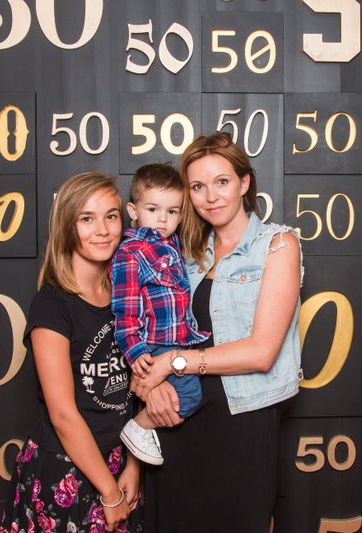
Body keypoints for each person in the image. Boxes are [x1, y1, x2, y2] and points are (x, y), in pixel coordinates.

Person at [133, 132, 303, 532]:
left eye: (221, 182)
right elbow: (147, 324)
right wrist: (153, 386)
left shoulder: (278, 245)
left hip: (242, 420)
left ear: (244, 183)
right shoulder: (180, 251)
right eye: (197, 186)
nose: (210, 196)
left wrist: (173, 362)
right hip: (177, 416)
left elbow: (262, 352)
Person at [0, 172, 143, 533]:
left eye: (111, 216)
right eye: (86, 218)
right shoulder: (52, 305)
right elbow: (63, 414)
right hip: (66, 470)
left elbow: (138, 392)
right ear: (67, 226)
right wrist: (109, 492)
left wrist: (134, 465)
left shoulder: (127, 295)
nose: (103, 230)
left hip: (120, 463)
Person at [111, 163, 209, 466]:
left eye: (172, 211)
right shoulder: (131, 252)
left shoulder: (171, 244)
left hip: (177, 341)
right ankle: (138, 428)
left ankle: (141, 430)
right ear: (133, 210)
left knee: (189, 396)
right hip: (154, 344)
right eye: (153, 209)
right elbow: (125, 308)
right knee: (189, 397)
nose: (163, 219)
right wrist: (135, 350)